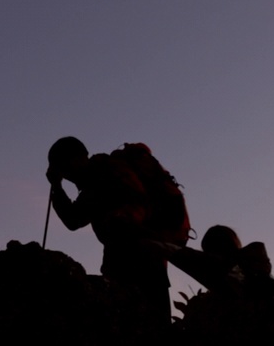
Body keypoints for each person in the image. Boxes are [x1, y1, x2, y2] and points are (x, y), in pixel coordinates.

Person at [46, 136, 187, 329]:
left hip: (135, 260)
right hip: (148, 260)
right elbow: (74, 220)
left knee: (142, 331)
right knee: (152, 331)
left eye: (65, 168)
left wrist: (57, 187)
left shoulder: (103, 174)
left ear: (78, 158)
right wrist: (57, 187)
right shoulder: (99, 177)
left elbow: (74, 219)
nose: (67, 175)